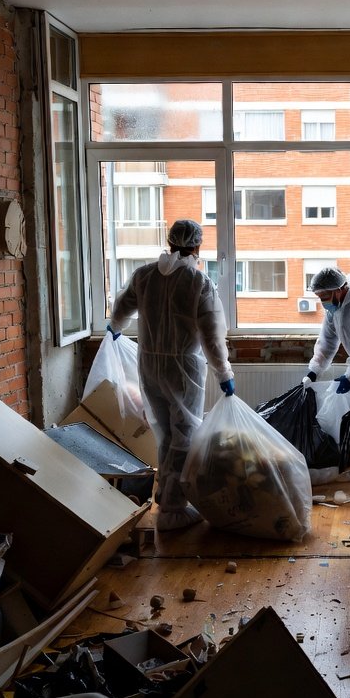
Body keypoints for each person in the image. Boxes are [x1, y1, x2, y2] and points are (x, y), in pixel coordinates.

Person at [108, 219, 235, 532]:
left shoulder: (145, 274)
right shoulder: (198, 282)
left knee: (165, 433)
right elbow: (211, 336)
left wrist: (115, 328)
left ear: (170, 242)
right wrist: (223, 372)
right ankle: (173, 510)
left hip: (149, 365)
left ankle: (166, 494)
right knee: (184, 436)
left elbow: (121, 308)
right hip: (182, 370)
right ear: (197, 245)